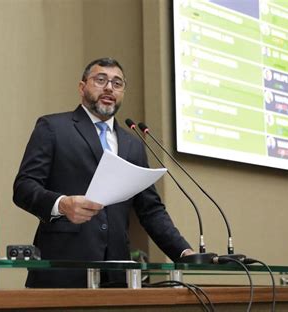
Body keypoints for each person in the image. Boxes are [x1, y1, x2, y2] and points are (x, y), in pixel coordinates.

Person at [13, 57, 193, 288]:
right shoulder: (54, 128)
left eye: (117, 83)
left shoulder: (133, 144)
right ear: (82, 87)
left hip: (116, 273)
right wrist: (62, 204)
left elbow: (150, 210)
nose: (109, 87)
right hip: (63, 270)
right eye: (100, 80)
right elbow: (24, 187)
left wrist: (183, 251)